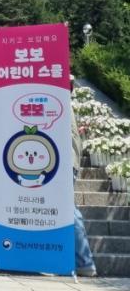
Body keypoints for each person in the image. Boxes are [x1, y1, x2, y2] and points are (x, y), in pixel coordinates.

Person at [71, 77, 96, 276]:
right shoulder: (63, 104)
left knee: (68, 209)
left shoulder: (58, 104)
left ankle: (84, 261)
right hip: (65, 164)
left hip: (63, 165)